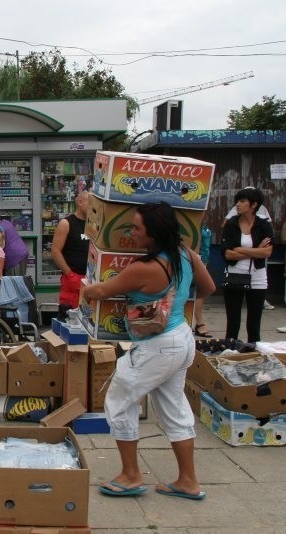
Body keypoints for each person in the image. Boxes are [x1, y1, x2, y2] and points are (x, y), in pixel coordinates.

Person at [82, 202, 215, 500]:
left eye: (137, 228)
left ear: (153, 235)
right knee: (174, 408)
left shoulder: (144, 268)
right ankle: (188, 481)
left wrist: (87, 286)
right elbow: (208, 288)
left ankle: (130, 475)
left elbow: (99, 291)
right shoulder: (186, 255)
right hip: (181, 337)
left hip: (156, 347)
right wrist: (177, 301)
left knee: (119, 401)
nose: (132, 232)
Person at [220, 187, 274, 343]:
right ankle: (229, 351)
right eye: (237, 201)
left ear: (254, 205)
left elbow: (267, 252)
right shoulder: (231, 224)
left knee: (254, 323)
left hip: (257, 275)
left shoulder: (263, 225)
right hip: (234, 273)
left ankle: (254, 351)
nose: (238, 204)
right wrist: (256, 250)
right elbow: (227, 253)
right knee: (233, 322)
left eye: (242, 201)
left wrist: (241, 250)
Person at [51, 190, 90, 320]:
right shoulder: (66, 223)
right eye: (91, 202)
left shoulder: (94, 224)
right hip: (72, 279)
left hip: (90, 279)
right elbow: (55, 251)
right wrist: (69, 274)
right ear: (80, 202)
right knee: (68, 317)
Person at [193, 220, 213, 338]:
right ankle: (198, 322)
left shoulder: (203, 222)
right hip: (192, 258)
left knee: (199, 290)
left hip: (202, 259)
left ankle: (199, 322)